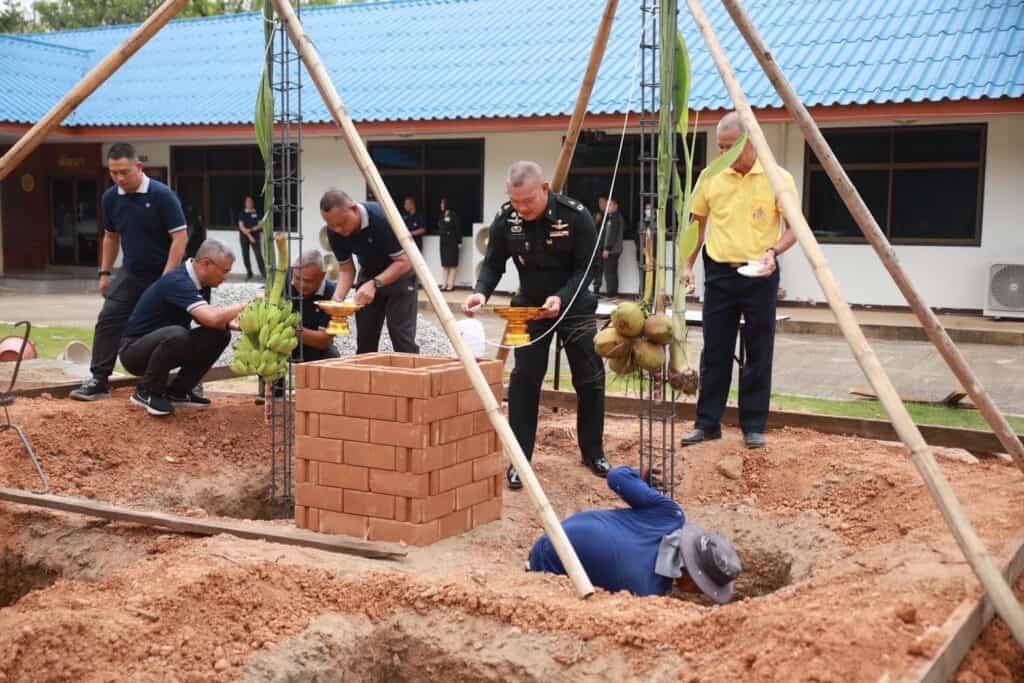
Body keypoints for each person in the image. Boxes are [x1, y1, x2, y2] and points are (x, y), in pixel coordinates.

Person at [464, 161, 609, 490]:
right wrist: (480, 293)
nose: (522, 208)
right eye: (515, 201)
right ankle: (520, 460)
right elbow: (493, 263)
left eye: (528, 200)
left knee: (590, 378)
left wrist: (561, 298)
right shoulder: (507, 219)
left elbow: (587, 269)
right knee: (524, 381)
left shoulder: (576, 216)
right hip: (529, 307)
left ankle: (593, 451)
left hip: (573, 305)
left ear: (545, 189)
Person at [681, 111, 797, 449]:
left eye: (730, 147)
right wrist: (688, 265)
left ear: (749, 143)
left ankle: (754, 425)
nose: (723, 154)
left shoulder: (778, 178)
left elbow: (794, 228)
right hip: (719, 270)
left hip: (760, 271)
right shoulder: (710, 176)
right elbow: (697, 224)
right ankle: (707, 423)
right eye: (720, 146)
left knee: (759, 348)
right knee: (715, 347)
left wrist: (773, 253)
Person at [70, 143, 188, 402]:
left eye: (124, 172)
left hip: (166, 272)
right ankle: (99, 379)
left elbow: (179, 238)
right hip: (132, 272)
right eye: (114, 173)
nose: (119, 178)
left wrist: (166, 279)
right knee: (109, 317)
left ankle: (185, 384)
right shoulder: (110, 198)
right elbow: (111, 237)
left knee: (175, 327)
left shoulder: (162, 195)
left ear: (138, 167)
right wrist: (104, 273)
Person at [528, 466, 742, 601]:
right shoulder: (645, 592)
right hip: (549, 560)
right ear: (692, 578)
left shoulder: (671, 515)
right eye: (702, 589)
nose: (701, 594)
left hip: (562, 527)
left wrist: (639, 480)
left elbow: (616, 476)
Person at [118, 239, 246, 417]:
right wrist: (246, 304)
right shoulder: (177, 281)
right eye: (225, 271)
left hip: (166, 347)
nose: (225, 277)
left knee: (220, 334)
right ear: (207, 264)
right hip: (134, 352)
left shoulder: (202, 283)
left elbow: (206, 321)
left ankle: (178, 392)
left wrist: (237, 326)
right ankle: (147, 392)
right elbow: (211, 316)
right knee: (178, 332)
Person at [320, 190, 418, 354]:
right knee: (365, 338)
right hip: (368, 273)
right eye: (332, 225)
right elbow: (346, 269)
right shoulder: (334, 232)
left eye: (342, 223)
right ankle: (366, 376)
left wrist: (375, 283)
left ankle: (412, 377)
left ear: (354, 209)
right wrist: (337, 301)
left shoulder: (383, 218)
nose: (338, 229)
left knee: (401, 336)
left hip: (400, 275)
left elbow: (405, 261)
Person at [287, 248, 341, 362]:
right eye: (297, 278)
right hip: (282, 344)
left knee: (332, 357)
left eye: (308, 281)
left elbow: (323, 341)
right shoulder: (284, 278)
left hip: (315, 350)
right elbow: (262, 294)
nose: (301, 285)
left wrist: (288, 328)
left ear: (322, 276)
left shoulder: (334, 294)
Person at [599, 197, 625, 298]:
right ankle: (613, 293)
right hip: (613, 250)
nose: (607, 207)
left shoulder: (615, 218)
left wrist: (607, 249)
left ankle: (612, 294)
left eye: (610, 205)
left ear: (616, 206)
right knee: (611, 271)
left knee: (609, 272)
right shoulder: (610, 217)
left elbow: (613, 235)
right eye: (607, 205)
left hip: (612, 250)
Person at [237, 195, 266, 280]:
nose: (249, 203)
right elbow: (241, 226)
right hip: (244, 236)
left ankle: (264, 274)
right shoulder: (242, 213)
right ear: (245, 203)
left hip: (255, 235)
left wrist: (254, 228)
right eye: (247, 201)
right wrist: (249, 236)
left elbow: (261, 224)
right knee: (245, 255)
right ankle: (249, 273)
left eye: (250, 201)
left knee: (258, 255)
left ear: (253, 202)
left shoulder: (257, 212)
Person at [438, 197, 462, 291]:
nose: (441, 205)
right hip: (443, 242)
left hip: (452, 241)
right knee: (445, 264)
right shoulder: (441, 215)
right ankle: (443, 285)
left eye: (442, 203)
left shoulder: (454, 215)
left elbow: (458, 229)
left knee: (452, 264)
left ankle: (450, 285)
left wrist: (459, 241)